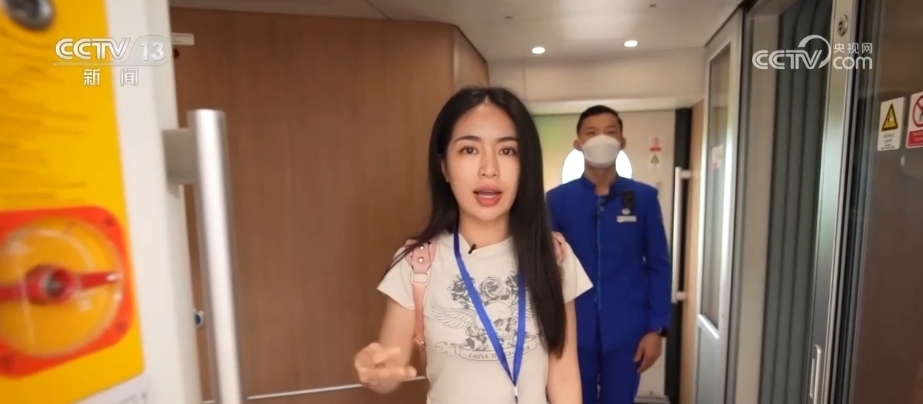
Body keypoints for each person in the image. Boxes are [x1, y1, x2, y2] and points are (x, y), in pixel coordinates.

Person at [353, 86, 593, 404]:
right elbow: (390, 369)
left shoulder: (555, 256)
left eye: (507, 151)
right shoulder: (417, 264)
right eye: (469, 150)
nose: (489, 168)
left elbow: (564, 376)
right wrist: (376, 371)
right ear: (444, 166)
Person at [545, 105, 671, 404]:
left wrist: (656, 329)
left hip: (628, 331)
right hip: (573, 330)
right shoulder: (558, 200)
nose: (601, 138)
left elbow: (658, 266)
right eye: (591, 133)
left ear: (622, 142)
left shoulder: (643, 198)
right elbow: (546, 267)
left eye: (610, 132)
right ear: (578, 143)